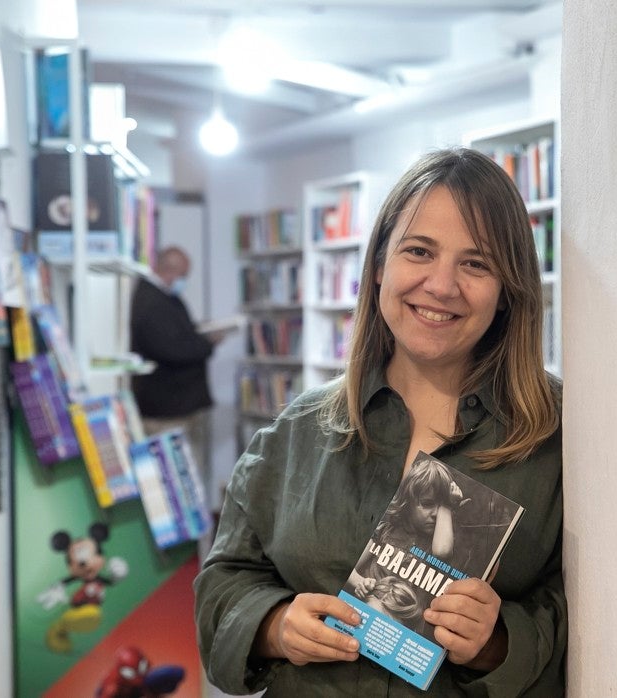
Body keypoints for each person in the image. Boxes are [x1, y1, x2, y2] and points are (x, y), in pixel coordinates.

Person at [194, 147, 565, 696]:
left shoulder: (557, 437)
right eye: (419, 251)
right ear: (378, 266)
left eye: (476, 263)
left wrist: (498, 641)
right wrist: (276, 626)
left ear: (508, 290)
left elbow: (595, 616)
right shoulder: (298, 431)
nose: (441, 285)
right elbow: (222, 583)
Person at [129, 246, 224, 493]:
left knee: (186, 477)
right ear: (168, 270)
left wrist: (197, 334)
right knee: (175, 483)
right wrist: (206, 342)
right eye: (183, 275)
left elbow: (177, 335)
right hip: (166, 408)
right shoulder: (151, 300)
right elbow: (171, 348)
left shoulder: (163, 297)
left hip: (177, 405)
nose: (183, 282)